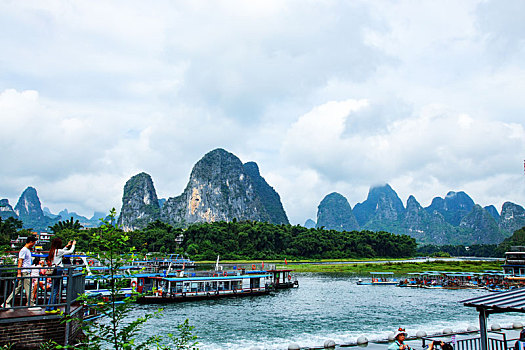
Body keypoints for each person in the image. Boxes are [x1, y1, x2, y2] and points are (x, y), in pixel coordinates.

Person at [2, 236, 38, 308]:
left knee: (18, 289)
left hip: (25, 271)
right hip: (25, 272)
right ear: (31, 242)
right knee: (29, 288)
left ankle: (6, 302)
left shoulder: (27, 250)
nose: (34, 244)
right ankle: (30, 304)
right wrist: (19, 273)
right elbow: (20, 261)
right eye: (34, 242)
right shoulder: (24, 250)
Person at [45, 238, 76, 313]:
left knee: (54, 288)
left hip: (53, 270)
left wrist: (67, 245)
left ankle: (51, 307)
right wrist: (73, 245)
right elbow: (70, 251)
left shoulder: (52, 251)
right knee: (55, 290)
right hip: (58, 270)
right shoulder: (58, 251)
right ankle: (51, 308)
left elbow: (61, 251)